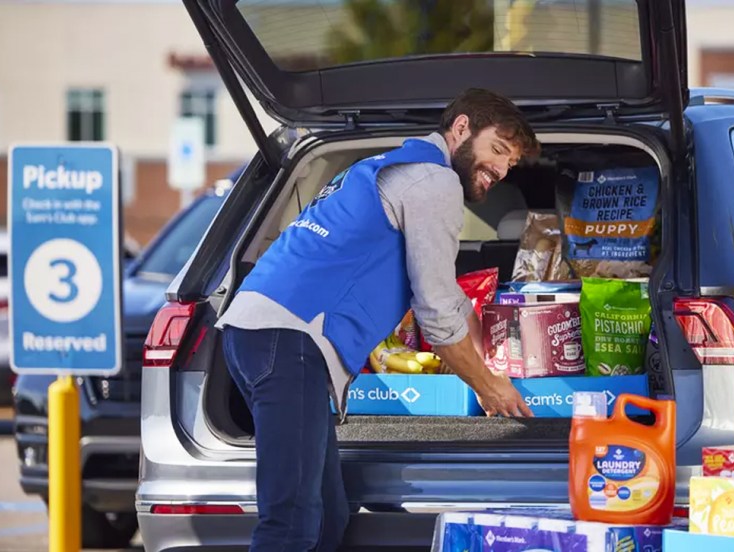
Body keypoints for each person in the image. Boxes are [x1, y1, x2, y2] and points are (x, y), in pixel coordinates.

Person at [216, 88, 540, 552]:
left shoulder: (380, 167)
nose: (501, 169)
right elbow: (434, 310)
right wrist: (488, 385)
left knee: (328, 516)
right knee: (290, 525)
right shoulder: (434, 180)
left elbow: (444, 293)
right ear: (462, 128)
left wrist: (483, 343)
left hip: (256, 332)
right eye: (498, 150)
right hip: (288, 341)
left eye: (510, 164)